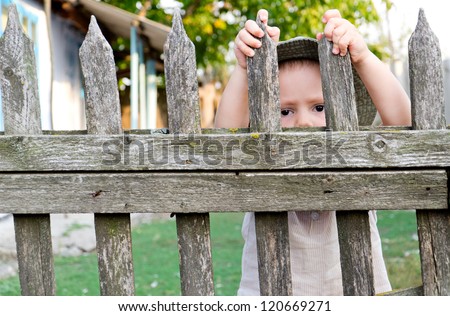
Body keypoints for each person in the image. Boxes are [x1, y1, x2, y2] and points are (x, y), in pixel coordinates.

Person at [215, 9, 411, 295]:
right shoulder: (259, 161)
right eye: (284, 111)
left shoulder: (356, 156)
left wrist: (364, 58)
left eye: (320, 108)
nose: (303, 122)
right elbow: (225, 143)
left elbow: (405, 128)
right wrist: (245, 71)